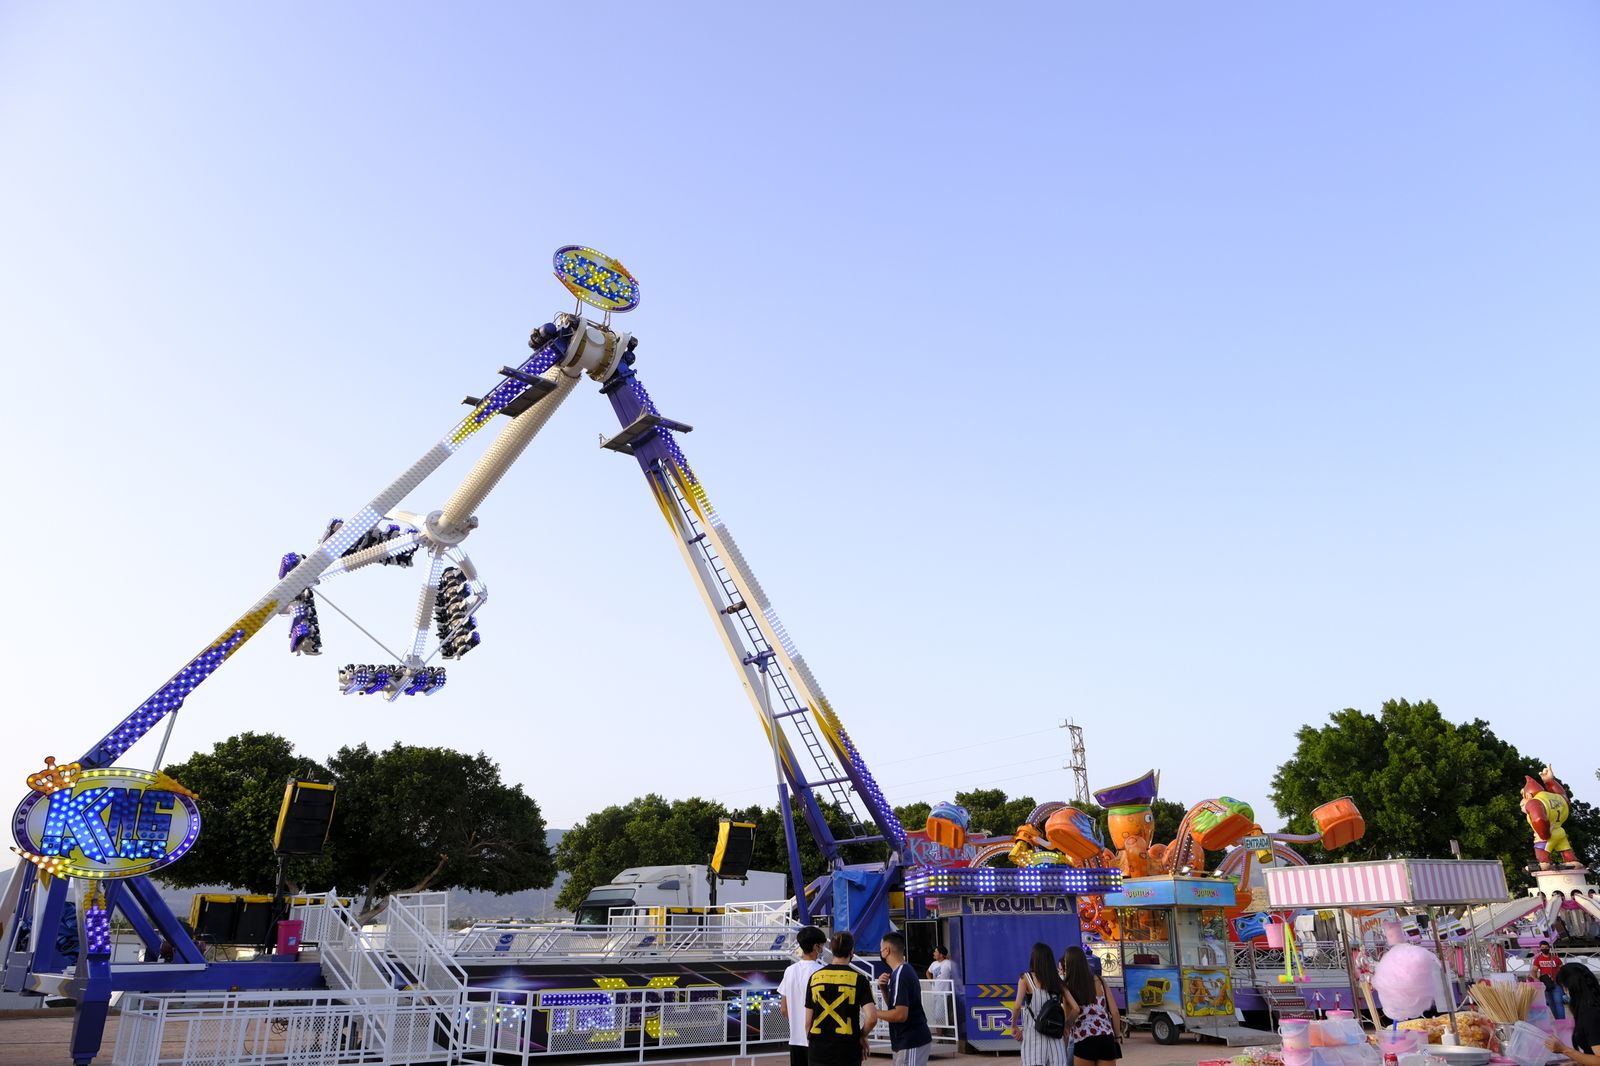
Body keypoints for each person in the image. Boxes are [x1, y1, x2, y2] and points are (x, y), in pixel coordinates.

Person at [806, 931, 878, 1066]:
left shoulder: (815, 978)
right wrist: (862, 1035)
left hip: (818, 1051)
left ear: (832, 950)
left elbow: (807, 1022)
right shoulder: (859, 979)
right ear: (851, 952)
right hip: (848, 1051)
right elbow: (872, 1018)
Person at [1011, 941, 1073, 1066]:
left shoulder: (1026, 978)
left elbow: (1017, 1006)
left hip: (1033, 1039)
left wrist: (1014, 1026)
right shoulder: (1057, 981)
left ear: (1034, 959)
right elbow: (1076, 1008)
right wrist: (1066, 1026)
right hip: (1055, 1040)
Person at [877, 932, 933, 1066]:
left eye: (881, 948)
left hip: (911, 1040)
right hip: (908, 1041)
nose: (880, 952)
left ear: (887, 951)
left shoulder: (901, 974)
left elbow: (900, 1015)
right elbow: (895, 1006)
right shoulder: (901, 972)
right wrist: (884, 989)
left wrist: (874, 1012)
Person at [1062, 945, 1122, 1066]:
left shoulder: (1068, 987)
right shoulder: (1100, 980)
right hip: (1106, 1038)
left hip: (1083, 1039)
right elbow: (1115, 1012)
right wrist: (1117, 1036)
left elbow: (1069, 1018)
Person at [780, 926, 827, 1066]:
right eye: (822, 945)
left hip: (795, 1039)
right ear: (816, 946)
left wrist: (797, 1020)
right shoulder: (822, 972)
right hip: (817, 1039)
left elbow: (784, 1009)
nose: (823, 948)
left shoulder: (789, 970)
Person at [1533, 941, 1566, 1020]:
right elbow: (1534, 970)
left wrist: (1563, 979)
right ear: (1540, 948)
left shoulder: (1555, 958)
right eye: (1542, 948)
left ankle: (1562, 1021)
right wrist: (1536, 979)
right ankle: (1557, 1020)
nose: (1544, 949)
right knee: (1551, 1004)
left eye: (1546, 947)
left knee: (1559, 1002)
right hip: (1545, 984)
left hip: (1556, 983)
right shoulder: (1538, 959)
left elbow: (1563, 969)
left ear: (1549, 948)